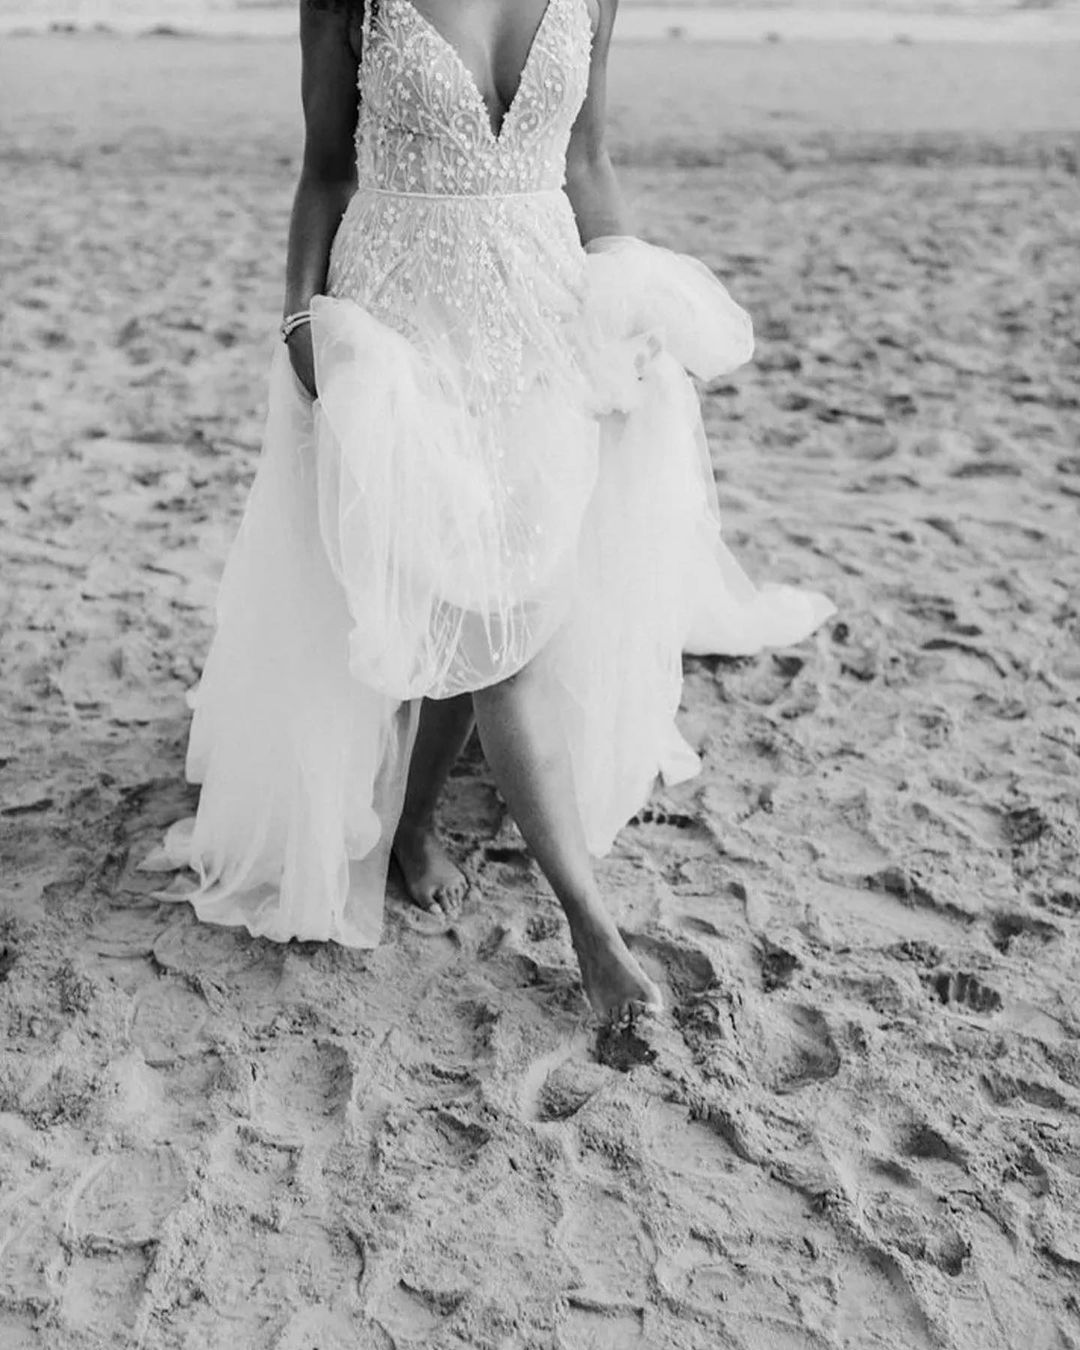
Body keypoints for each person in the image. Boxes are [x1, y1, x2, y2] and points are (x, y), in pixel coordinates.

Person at [154, 0, 835, 1023]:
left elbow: (590, 163)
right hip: (401, 324)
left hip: (547, 320)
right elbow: (325, 172)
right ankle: (591, 929)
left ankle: (416, 815)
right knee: (487, 620)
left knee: (507, 599)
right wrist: (300, 324)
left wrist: (634, 291)